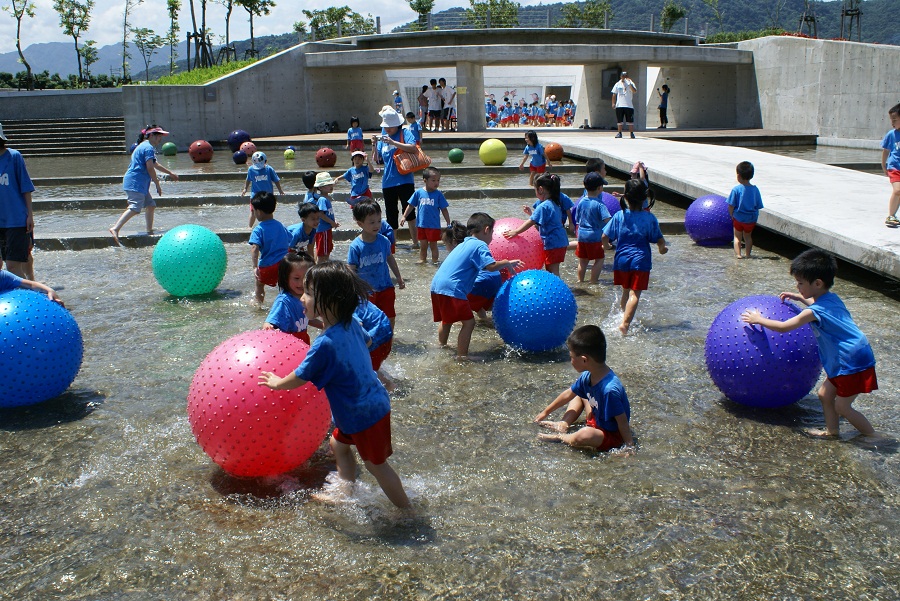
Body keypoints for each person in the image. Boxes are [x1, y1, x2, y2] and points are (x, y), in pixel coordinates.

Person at [258, 261, 411, 509]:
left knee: (376, 466)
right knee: (337, 445)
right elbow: (369, 342)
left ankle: (407, 511)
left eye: (308, 293)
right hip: (365, 407)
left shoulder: (325, 343)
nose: (301, 298)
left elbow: (300, 376)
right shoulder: (352, 322)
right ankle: (345, 492)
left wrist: (277, 383)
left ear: (327, 300)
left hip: (365, 415)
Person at [740, 249, 878, 438]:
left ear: (817, 283)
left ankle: (872, 436)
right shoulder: (832, 298)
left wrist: (759, 319)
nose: (797, 287)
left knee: (842, 406)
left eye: (800, 283)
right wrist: (800, 298)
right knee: (824, 394)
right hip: (854, 353)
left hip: (851, 361)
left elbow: (783, 327)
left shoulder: (812, 312)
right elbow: (816, 303)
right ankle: (832, 432)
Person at [431, 212, 524, 360]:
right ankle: (462, 356)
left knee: (447, 319)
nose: (493, 237)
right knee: (469, 322)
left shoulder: (465, 243)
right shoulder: (480, 245)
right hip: (452, 288)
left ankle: (441, 346)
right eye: (492, 232)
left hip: (437, 285)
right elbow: (491, 266)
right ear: (486, 230)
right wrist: (506, 262)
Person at [534, 325, 634, 453]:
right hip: (596, 417)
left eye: (571, 357)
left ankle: (561, 437)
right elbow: (568, 394)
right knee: (579, 394)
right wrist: (545, 412)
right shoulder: (588, 376)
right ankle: (563, 424)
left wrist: (629, 446)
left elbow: (623, 423)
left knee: (584, 435)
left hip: (610, 435)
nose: (570, 361)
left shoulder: (610, 390)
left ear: (584, 360)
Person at [602, 179, 668, 336]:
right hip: (640, 261)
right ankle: (625, 324)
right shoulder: (649, 218)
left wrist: (607, 247)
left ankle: (623, 316)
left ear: (626, 197)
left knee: (625, 291)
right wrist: (662, 248)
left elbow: (604, 236)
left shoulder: (619, 215)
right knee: (634, 294)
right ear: (644, 198)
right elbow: (659, 238)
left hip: (621, 261)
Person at [109, 126, 179, 246]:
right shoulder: (148, 148)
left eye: (161, 137)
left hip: (138, 183)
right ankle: (115, 228)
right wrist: (157, 184)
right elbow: (150, 168)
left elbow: (155, 164)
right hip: (136, 183)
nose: (160, 139)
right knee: (135, 207)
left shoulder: (143, 146)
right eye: (159, 136)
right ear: (151, 135)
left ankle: (149, 230)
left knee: (150, 205)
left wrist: (170, 173)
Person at [348, 200, 405, 330]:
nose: (377, 225)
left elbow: (390, 258)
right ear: (360, 223)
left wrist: (399, 277)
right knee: (368, 320)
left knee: (390, 316)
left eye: (379, 220)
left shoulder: (383, 241)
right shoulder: (356, 246)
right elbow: (351, 270)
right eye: (372, 222)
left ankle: (389, 340)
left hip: (385, 286)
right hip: (366, 291)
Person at [504, 173, 569, 276]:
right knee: (550, 269)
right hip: (559, 241)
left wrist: (516, 231)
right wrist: (531, 213)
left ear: (541, 189)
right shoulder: (554, 202)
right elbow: (543, 219)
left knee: (553, 270)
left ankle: (558, 290)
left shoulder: (543, 206)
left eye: (535, 190)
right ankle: (554, 288)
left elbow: (531, 222)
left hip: (554, 242)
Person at [372, 106, 418, 244]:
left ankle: (415, 242)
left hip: (405, 180)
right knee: (391, 214)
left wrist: (393, 142)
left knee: (409, 212)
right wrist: (374, 145)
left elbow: (413, 147)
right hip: (388, 181)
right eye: (386, 127)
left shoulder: (405, 133)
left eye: (390, 127)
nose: (387, 130)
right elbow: (377, 159)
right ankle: (393, 244)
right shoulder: (383, 136)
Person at [442, 222, 501, 323]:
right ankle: (485, 320)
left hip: (481, 282)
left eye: (445, 244)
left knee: (458, 302)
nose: (446, 248)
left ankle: (463, 323)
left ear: (454, 242)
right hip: (495, 277)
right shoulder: (472, 245)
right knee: (476, 304)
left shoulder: (459, 252)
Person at [0, 122, 35, 278]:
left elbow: (26, 188)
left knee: (13, 266)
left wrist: (30, 215)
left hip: (16, 220)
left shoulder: (14, 157)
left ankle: (25, 296)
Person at [263, 251, 322, 344]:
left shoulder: (305, 297)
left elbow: (307, 319)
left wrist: (325, 325)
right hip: (288, 344)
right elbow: (270, 322)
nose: (302, 283)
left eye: (306, 278)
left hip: (302, 340)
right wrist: (268, 327)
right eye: (296, 278)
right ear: (286, 278)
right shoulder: (284, 302)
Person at [401, 166, 451, 265]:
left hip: (433, 225)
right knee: (423, 245)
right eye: (433, 180)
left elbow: (444, 209)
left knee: (433, 245)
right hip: (421, 225)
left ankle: (435, 261)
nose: (436, 183)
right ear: (425, 180)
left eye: (438, 180)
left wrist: (448, 221)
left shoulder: (438, 195)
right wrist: (404, 216)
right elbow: (411, 205)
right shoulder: (419, 193)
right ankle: (422, 260)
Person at [248, 191, 291, 305]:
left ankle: (258, 304)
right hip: (284, 264)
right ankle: (285, 303)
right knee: (284, 286)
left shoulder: (259, 229)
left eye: (254, 211)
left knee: (259, 284)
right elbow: (290, 240)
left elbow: (254, 248)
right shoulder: (280, 225)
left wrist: (254, 266)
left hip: (268, 265)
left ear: (259, 212)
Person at [576, 173, 613, 284]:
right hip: (595, 236)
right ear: (599, 188)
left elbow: (577, 218)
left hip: (582, 235)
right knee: (599, 259)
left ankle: (580, 280)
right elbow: (608, 221)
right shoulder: (600, 204)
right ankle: (593, 281)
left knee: (583, 261)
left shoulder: (581, 202)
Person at [354, 298, 395, 391]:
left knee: (367, 371)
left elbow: (357, 324)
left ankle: (390, 387)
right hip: (385, 331)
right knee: (371, 366)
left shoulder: (340, 308)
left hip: (377, 338)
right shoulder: (352, 295)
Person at [727, 161, 764, 259]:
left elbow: (731, 205)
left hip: (738, 217)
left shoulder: (736, 189)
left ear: (738, 176)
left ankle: (739, 255)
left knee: (737, 237)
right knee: (748, 237)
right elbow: (758, 205)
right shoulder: (755, 190)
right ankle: (748, 254)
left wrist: (731, 215)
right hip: (751, 219)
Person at [243, 151, 284, 228]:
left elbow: (276, 180)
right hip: (255, 195)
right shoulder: (251, 169)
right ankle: (249, 227)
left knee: (268, 211)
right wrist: (245, 188)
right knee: (253, 211)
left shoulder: (269, 169)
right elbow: (248, 179)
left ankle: (270, 226)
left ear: (266, 161)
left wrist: (280, 190)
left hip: (267, 195)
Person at [312, 172, 340, 263]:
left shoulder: (326, 198)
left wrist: (333, 221)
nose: (331, 186)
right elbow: (321, 214)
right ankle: (320, 270)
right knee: (323, 253)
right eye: (327, 185)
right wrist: (332, 223)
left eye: (330, 184)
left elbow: (327, 213)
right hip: (323, 230)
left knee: (325, 251)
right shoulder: (322, 199)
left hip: (326, 229)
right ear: (320, 188)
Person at [881, 103, 900, 227]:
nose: (892, 123)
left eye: (895, 120)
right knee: (898, 190)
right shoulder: (891, 135)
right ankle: (891, 215)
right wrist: (884, 166)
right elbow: (885, 152)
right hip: (894, 167)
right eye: (891, 120)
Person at [611, 71, 637, 139]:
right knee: (620, 120)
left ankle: (631, 133)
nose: (624, 78)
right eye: (623, 76)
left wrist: (629, 84)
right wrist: (613, 103)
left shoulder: (631, 83)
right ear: (620, 77)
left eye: (625, 76)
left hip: (629, 105)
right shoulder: (617, 84)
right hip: (620, 105)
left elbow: (634, 91)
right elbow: (614, 94)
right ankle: (619, 133)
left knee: (630, 121)